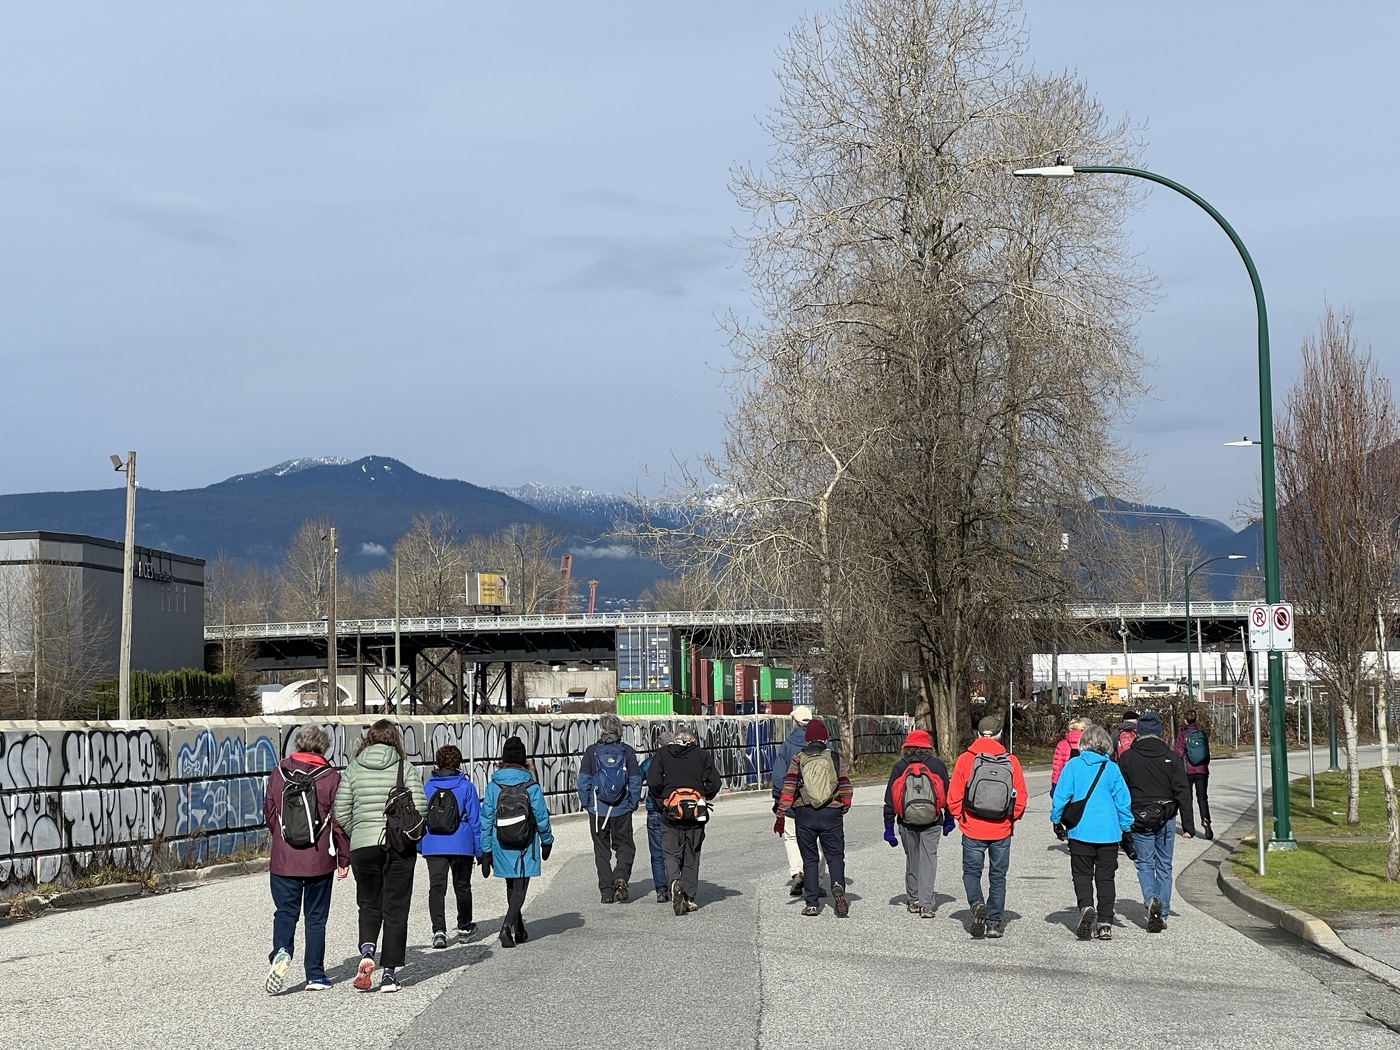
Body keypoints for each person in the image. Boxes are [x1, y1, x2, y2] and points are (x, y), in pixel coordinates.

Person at [333, 719, 426, 993]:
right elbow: (419, 807)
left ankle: (367, 952)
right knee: (395, 908)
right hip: (399, 846)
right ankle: (388, 975)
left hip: (363, 846)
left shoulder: (353, 769)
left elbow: (341, 811)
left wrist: (359, 832)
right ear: (394, 739)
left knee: (369, 903)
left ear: (368, 740)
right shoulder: (403, 766)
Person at [262, 724, 350, 993]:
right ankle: (315, 974)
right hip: (318, 860)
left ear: (297, 744)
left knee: (285, 912)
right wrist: (343, 859)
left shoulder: (279, 772)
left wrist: (282, 839)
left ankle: (281, 951)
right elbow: (338, 822)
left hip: (283, 860)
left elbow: (269, 811)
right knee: (315, 919)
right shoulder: (331, 777)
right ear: (324, 747)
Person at [1049, 724, 1134, 941]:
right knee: (1106, 878)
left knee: (1082, 875)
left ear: (1083, 743)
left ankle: (1086, 906)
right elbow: (1122, 802)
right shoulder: (1112, 769)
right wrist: (1126, 827)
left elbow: (1061, 796)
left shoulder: (1073, 765)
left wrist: (1056, 820)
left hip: (1081, 831)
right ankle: (1105, 922)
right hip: (1109, 832)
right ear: (1106, 744)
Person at [947, 714, 1027, 939]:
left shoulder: (966, 759)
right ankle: (994, 923)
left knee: (971, 872)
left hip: (972, 826)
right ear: (1001, 735)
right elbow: (1020, 796)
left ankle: (976, 904)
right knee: (998, 876)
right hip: (1001, 827)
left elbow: (953, 795)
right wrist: (1013, 818)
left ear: (978, 733)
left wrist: (959, 816)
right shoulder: (1011, 760)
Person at [1118, 710, 1196, 932]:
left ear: (1139, 732)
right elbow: (1183, 792)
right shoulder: (1171, 756)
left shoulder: (1128, 758)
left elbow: (1121, 792)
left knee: (1144, 862)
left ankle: (1151, 898)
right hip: (1166, 815)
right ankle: (1161, 911)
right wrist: (1188, 825)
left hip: (1139, 816)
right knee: (1164, 863)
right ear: (1159, 732)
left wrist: (1121, 823)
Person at [479, 736, 554, 948]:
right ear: (524, 760)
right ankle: (507, 926)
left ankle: (519, 930)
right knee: (521, 885)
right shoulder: (531, 785)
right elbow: (541, 816)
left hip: (501, 843)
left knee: (511, 885)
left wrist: (485, 851)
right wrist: (547, 841)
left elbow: (485, 820)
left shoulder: (494, 785)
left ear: (503, 759)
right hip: (525, 844)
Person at [774, 719, 852, 917]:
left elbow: (789, 787)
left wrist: (781, 813)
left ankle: (811, 904)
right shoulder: (834, 757)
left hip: (805, 814)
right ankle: (837, 886)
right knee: (835, 855)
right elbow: (845, 785)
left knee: (809, 859)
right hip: (831, 813)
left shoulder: (798, 758)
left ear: (808, 739)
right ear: (825, 738)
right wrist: (844, 804)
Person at [646, 725, 721, 916]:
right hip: (696, 813)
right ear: (693, 741)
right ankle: (689, 897)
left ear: (676, 740)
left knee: (670, 852)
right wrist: (704, 795)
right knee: (692, 853)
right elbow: (715, 783)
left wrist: (662, 800)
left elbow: (653, 780)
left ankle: (673, 882)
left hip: (671, 811)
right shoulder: (702, 755)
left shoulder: (663, 754)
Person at [882, 728, 951, 918]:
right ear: (928, 747)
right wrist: (950, 819)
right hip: (933, 820)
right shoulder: (937, 765)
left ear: (907, 748)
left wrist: (888, 827)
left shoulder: (900, 767)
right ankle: (927, 905)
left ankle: (913, 900)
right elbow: (948, 793)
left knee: (912, 859)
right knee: (928, 860)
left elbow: (890, 799)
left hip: (907, 821)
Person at [577, 713, 643, 904]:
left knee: (601, 851)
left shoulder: (592, 752)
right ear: (619, 730)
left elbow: (583, 782)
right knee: (625, 846)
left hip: (598, 810)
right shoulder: (627, 751)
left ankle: (606, 892)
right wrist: (632, 803)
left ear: (601, 730)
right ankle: (621, 876)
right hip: (621, 809)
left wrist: (587, 804)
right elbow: (635, 780)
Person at [420, 744, 482, 949]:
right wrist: (480, 850)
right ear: (458, 763)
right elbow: (475, 821)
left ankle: (439, 931)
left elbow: (420, 817)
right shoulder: (466, 786)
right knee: (462, 886)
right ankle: (464, 928)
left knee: (437, 888)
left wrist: (420, 844)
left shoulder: (428, 787)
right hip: (461, 843)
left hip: (433, 843)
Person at [771, 705, 826, 896]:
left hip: (793, 801)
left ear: (794, 722)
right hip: (820, 802)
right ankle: (817, 881)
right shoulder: (824, 744)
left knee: (791, 837)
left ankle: (797, 872)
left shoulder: (787, 745)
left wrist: (778, 798)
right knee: (819, 840)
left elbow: (779, 776)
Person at [639, 730, 676, 903]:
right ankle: (675, 882)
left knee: (656, 852)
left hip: (654, 810)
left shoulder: (649, 763)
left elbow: (636, 779)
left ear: (659, 746)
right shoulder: (678, 761)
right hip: (674, 810)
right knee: (674, 850)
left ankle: (661, 890)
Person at [1174, 710, 1213, 839]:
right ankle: (1206, 819)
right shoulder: (1202, 735)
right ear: (1196, 720)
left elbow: (1178, 754)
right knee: (1202, 798)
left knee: (1187, 800)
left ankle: (1189, 830)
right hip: (1202, 770)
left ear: (1185, 721)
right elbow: (1206, 753)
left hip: (1187, 771)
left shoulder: (1182, 735)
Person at [1050, 718, 1086, 794]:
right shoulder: (1088, 744)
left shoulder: (1062, 744)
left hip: (1066, 780)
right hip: (1083, 781)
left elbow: (1057, 767)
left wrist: (1055, 784)